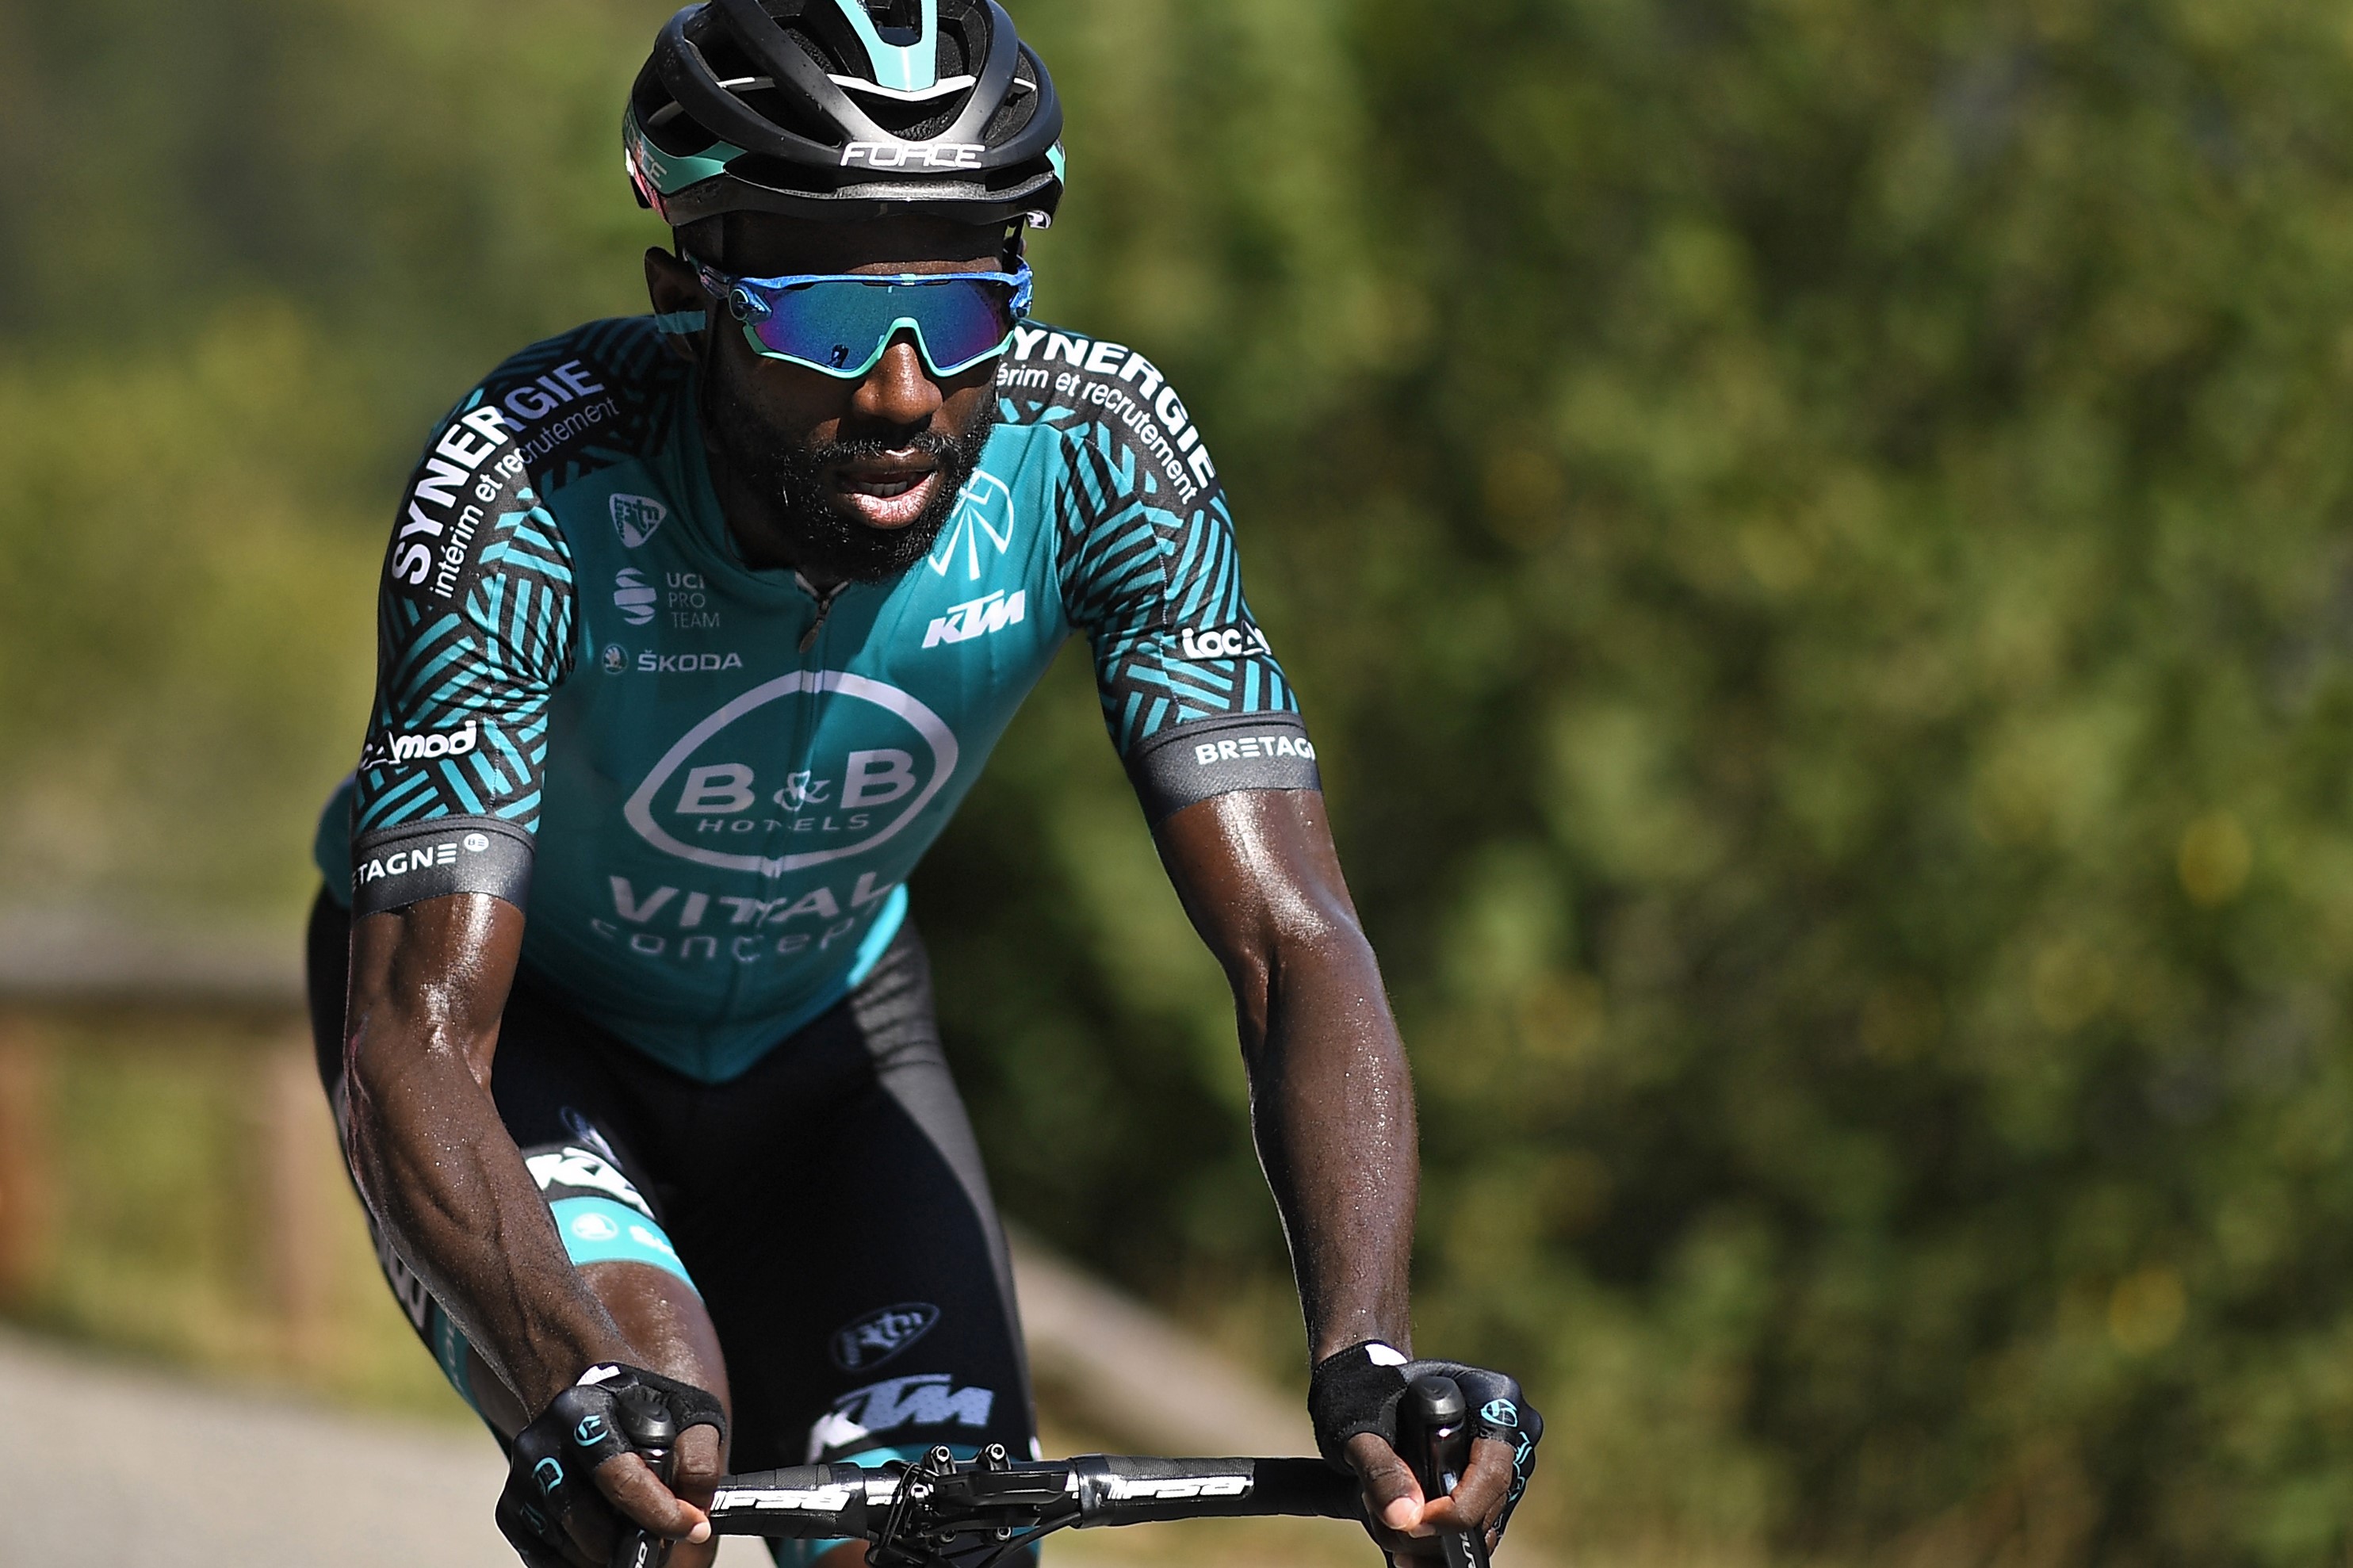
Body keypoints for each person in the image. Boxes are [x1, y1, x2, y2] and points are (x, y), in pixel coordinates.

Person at [304, 3, 1540, 1564]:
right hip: (531, 1044)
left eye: (959, 313)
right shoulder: (530, 488)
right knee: (653, 1437)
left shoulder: (1100, 459)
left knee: (937, 1542)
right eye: (825, 321)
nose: (900, 394)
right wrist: (573, 1380)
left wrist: (1364, 1349)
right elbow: (414, 1028)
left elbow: (1293, 937)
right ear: (684, 295)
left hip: (830, 1040)